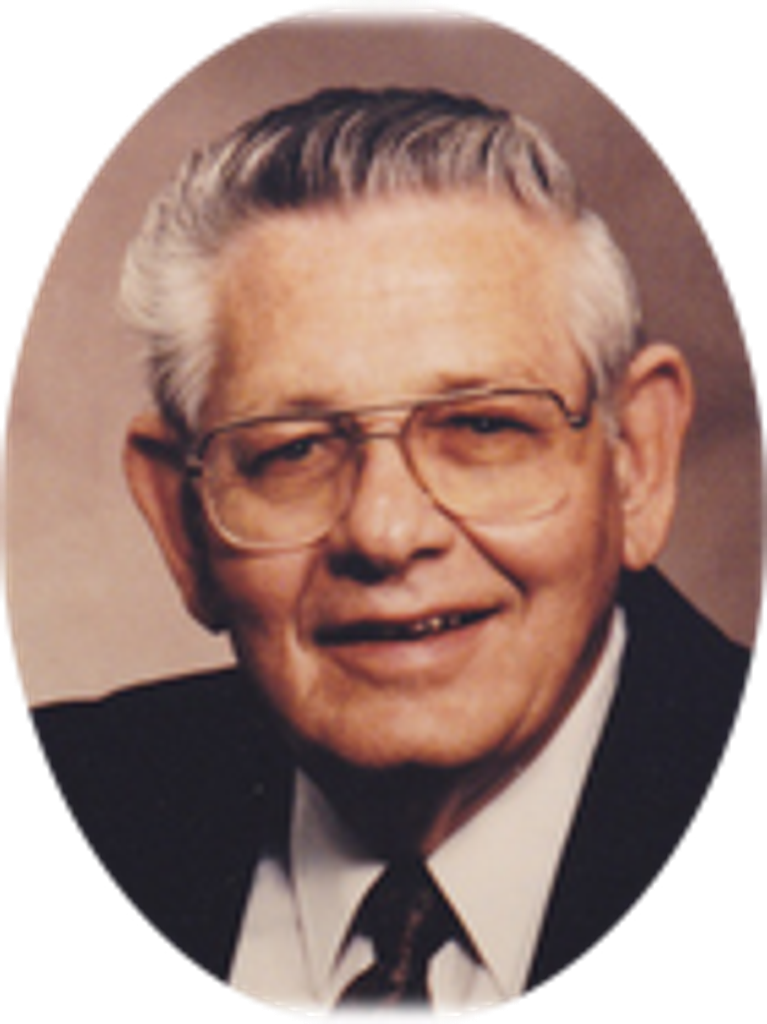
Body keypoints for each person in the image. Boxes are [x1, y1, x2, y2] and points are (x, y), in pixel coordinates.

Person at [27, 87, 753, 1012]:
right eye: (293, 451)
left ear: (636, 461)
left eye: (483, 427)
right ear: (181, 518)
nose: (385, 532)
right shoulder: (81, 792)